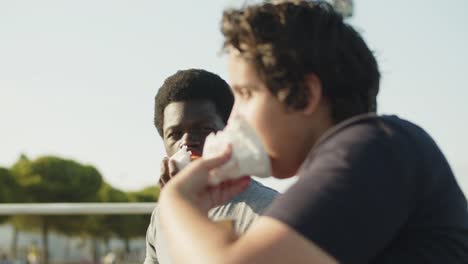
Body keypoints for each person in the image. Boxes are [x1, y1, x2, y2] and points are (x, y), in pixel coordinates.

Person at [157, 1, 468, 263]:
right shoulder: (368, 155)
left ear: (304, 94)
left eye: (247, 94)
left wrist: (177, 201)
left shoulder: (374, 148)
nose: (235, 116)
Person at [143, 69, 279, 264]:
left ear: (228, 131)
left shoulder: (270, 211)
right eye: (175, 134)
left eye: (204, 129)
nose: (187, 142)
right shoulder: (163, 215)